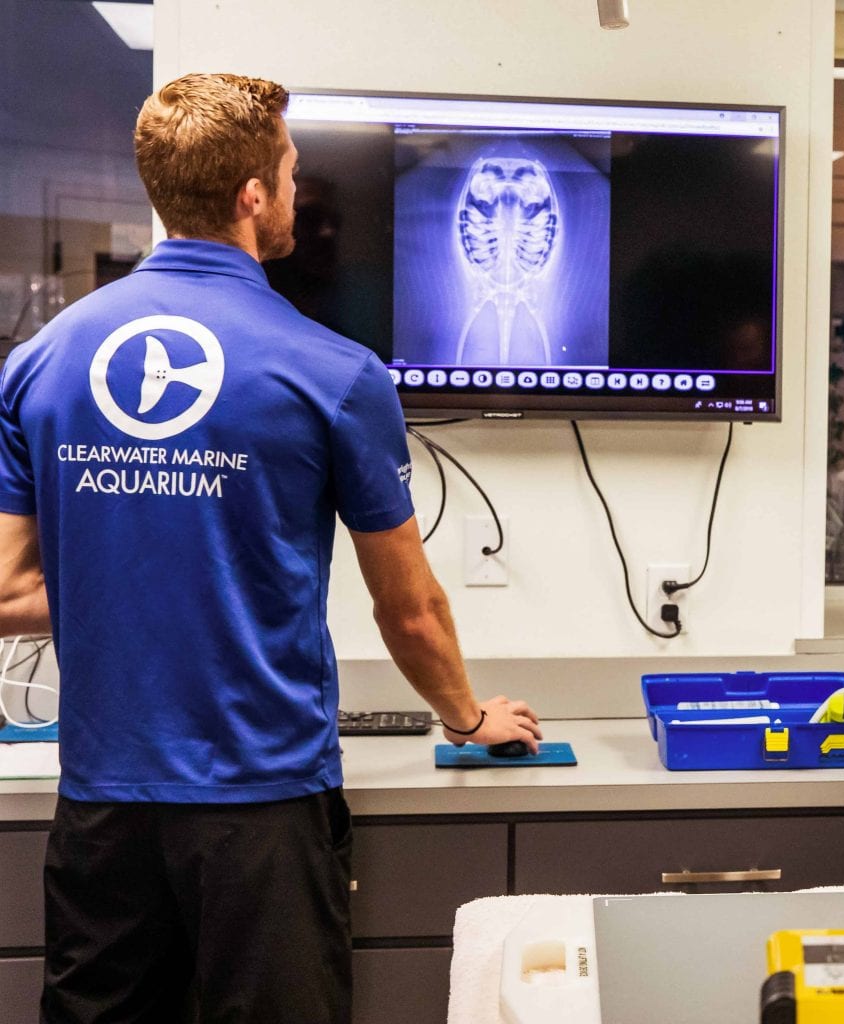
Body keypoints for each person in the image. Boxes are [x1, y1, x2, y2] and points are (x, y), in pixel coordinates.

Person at [0, 73, 540, 1022]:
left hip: (103, 813)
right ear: (253, 196)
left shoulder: (41, 362)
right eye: (291, 173)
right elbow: (409, 610)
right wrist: (466, 719)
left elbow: (6, 596)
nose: (297, 192)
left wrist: (133, 573)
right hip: (261, 810)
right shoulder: (334, 374)